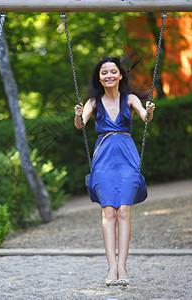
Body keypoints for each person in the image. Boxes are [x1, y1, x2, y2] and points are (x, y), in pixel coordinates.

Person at [74, 57, 155, 287]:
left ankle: (122, 266)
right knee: (108, 212)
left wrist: (149, 110)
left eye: (113, 71)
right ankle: (111, 266)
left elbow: (145, 117)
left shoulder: (129, 99)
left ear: (120, 76)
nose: (108, 75)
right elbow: (80, 125)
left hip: (127, 159)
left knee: (124, 211)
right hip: (103, 161)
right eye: (103, 72)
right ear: (99, 78)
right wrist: (78, 113)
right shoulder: (93, 102)